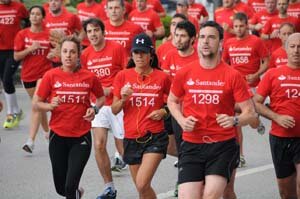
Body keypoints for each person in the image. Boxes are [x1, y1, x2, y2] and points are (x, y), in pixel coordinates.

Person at [167, 21, 257, 199]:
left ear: (221, 42)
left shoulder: (232, 75)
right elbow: (172, 101)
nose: (206, 41)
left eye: (211, 37)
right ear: (197, 41)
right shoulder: (185, 73)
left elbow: (251, 113)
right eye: (202, 37)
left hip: (222, 145)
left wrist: (234, 120)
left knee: (210, 195)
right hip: (192, 144)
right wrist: (182, 120)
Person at [33, 35, 105, 199]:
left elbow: (101, 98)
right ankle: (77, 193)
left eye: (72, 52)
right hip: (57, 136)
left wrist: (94, 109)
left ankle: (73, 192)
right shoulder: (51, 76)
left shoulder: (89, 77)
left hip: (81, 137)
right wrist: (50, 106)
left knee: (69, 186)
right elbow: (36, 103)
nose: (68, 55)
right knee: (61, 188)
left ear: (78, 55)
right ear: (60, 53)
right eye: (65, 51)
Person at [111, 33, 170, 198]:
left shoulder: (163, 77)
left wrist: (164, 111)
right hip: (130, 138)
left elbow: (177, 101)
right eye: (136, 52)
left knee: (142, 183)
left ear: (151, 55)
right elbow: (114, 109)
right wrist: (123, 99)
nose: (139, 56)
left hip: (155, 136)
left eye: (143, 52)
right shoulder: (122, 76)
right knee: (142, 189)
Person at [80, 18, 127, 199]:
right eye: (90, 31)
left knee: (123, 149)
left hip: (116, 104)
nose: (93, 34)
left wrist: (112, 90)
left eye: (96, 30)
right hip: (98, 104)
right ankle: (109, 187)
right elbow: (83, 81)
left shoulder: (116, 49)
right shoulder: (85, 55)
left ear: (103, 31)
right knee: (99, 145)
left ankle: (142, 185)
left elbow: (127, 75)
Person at [253, 32, 300, 199]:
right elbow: (256, 103)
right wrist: (277, 117)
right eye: (292, 47)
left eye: (299, 47)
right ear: (285, 49)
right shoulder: (273, 74)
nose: (296, 51)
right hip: (280, 138)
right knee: (286, 193)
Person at [222, 12, 269, 167]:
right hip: (236, 87)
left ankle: (258, 122)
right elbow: (224, 63)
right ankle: (240, 155)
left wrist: (256, 74)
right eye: (236, 26)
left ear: (247, 25)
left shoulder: (256, 41)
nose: (239, 29)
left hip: (252, 86)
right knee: (236, 120)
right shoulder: (229, 43)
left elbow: (266, 61)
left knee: (252, 121)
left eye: (241, 26)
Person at [13, 5, 52, 153]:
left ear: (43, 17)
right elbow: (16, 56)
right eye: (32, 14)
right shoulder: (22, 34)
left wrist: (53, 53)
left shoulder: (49, 34)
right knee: (39, 106)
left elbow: (58, 50)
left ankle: (30, 141)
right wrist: (30, 49)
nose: (35, 16)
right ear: (29, 17)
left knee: (37, 103)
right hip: (28, 75)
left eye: (38, 14)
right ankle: (48, 133)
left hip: (44, 74)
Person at [0, 0, 28, 128]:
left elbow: (28, 21)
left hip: (14, 49)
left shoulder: (19, 6)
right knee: (5, 80)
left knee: (6, 79)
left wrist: (24, 37)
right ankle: (17, 111)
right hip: (0, 50)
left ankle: (10, 114)